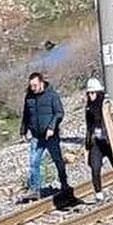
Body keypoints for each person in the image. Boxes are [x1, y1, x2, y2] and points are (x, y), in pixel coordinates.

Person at [20, 72, 71, 200]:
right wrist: (23, 130)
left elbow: (59, 113)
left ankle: (64, 183)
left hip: (50, 136)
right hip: (36, 136)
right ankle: (35, 189)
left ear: (41, 83)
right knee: (33, 162)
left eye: (35, 85)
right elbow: (26, 115)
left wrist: (51, 127)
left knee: (57, 160)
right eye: (31, 86)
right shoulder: (29, 97)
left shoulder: (52, 95)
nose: (33, 88)